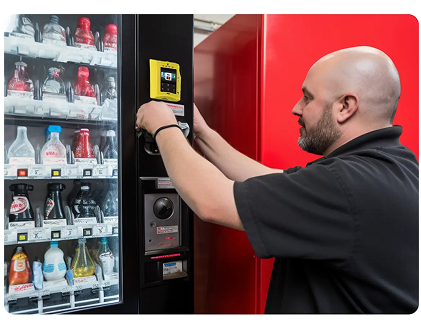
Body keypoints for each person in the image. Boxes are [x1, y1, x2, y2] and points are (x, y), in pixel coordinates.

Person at [135, 46, 418, 314]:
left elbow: (211, 201)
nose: (297, 108)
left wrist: (163, 125)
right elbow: (272, 180)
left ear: (346, 106)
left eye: (307, 97)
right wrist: (202, 132)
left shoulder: (345, 184)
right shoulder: (396, 165)